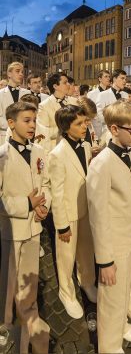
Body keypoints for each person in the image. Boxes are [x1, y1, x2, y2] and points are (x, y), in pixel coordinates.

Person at [86, 101, 131, 351]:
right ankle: (109, 346)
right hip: (113, 246)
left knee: (124, 291)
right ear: (114, 129)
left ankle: (120, 327)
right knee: (111, 299)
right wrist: (104, 260)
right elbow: (98, 217)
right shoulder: (101, 165)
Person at [0, 101, 51, 353]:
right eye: (26, 120)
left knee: (28, 290)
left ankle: (29, 333)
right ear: (11, 123)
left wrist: (44, 205)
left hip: (34, 231)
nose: (32, 125)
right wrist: (26, 204)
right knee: (7, 288)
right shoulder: (1, 155)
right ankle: (6, 329)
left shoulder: (40, 151)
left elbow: (48, 183)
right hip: (10, 233)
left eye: (34, 120)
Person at [48, 104, 98, 319]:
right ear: (66, 127)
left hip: (86, 209)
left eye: (85, 122)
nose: (84, 126)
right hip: (68, 213)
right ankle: (66, 292)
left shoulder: (85, 146)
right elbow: (56, 193)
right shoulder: (57, 154)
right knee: (66, 257)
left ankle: (87, 282)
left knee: (87, 252)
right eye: (79, 124)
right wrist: (62, 225)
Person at [36, 73, 76, 154]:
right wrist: (68, 129)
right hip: (56, 149)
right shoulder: (44, 106)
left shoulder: (74, 101)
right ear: (55, 86)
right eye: (65, 83)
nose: (68, 85)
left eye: (68, 82)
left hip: (75, 147)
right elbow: (43, 133)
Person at [0, 62, 31, 146]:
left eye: (22, 72)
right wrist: (15, 125)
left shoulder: (28, 93)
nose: (21, 74)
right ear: (9, 74)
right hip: (4, 139)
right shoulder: (0, 94)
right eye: (17, 71)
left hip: (24, 139)